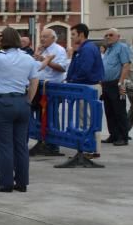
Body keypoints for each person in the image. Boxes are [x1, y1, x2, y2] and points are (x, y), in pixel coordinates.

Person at [0, 28, 40, 193]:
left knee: (4, 145)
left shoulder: (0, 58)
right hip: (22, 101)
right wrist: (28, 101)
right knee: (21, 145)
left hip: (4, 102)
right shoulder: (28, 59)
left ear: (2, 40)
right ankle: (21, 182)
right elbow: (34, 81)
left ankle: (5, 182)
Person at [66, 23, 105, 157]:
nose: (71, 38)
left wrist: (72, 80)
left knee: (87, 118)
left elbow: (85, 69)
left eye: (73, 34)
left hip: (88, 86)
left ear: (81, 34)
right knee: (86, 117)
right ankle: (89, 148)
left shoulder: (88, 49)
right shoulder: (84, 48)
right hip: (86, 86)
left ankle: (89, 149)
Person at [30, 28, 70, 155]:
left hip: (52, 86)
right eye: (41, 36)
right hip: (40, 86)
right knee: (39, 115)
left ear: (53, 38)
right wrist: (37, 55)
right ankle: (42, 141)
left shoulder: (58, 50)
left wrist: (46, 61)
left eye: (45, 37)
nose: (42, 39)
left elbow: (62, 68)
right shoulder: (42, 49)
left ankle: (53, 145)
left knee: (51, 115)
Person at [100, 28, 131, 147]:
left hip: (116, 83)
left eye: (111, 35)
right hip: (106, 84)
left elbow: (126, 65)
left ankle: (123, 137)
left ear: (118, 36)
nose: (108, 37)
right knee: (109, 111)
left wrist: (121, 83)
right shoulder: (108, 49)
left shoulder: (122, 47)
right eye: (106, 35)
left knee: (119, 111)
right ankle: (113, 135)